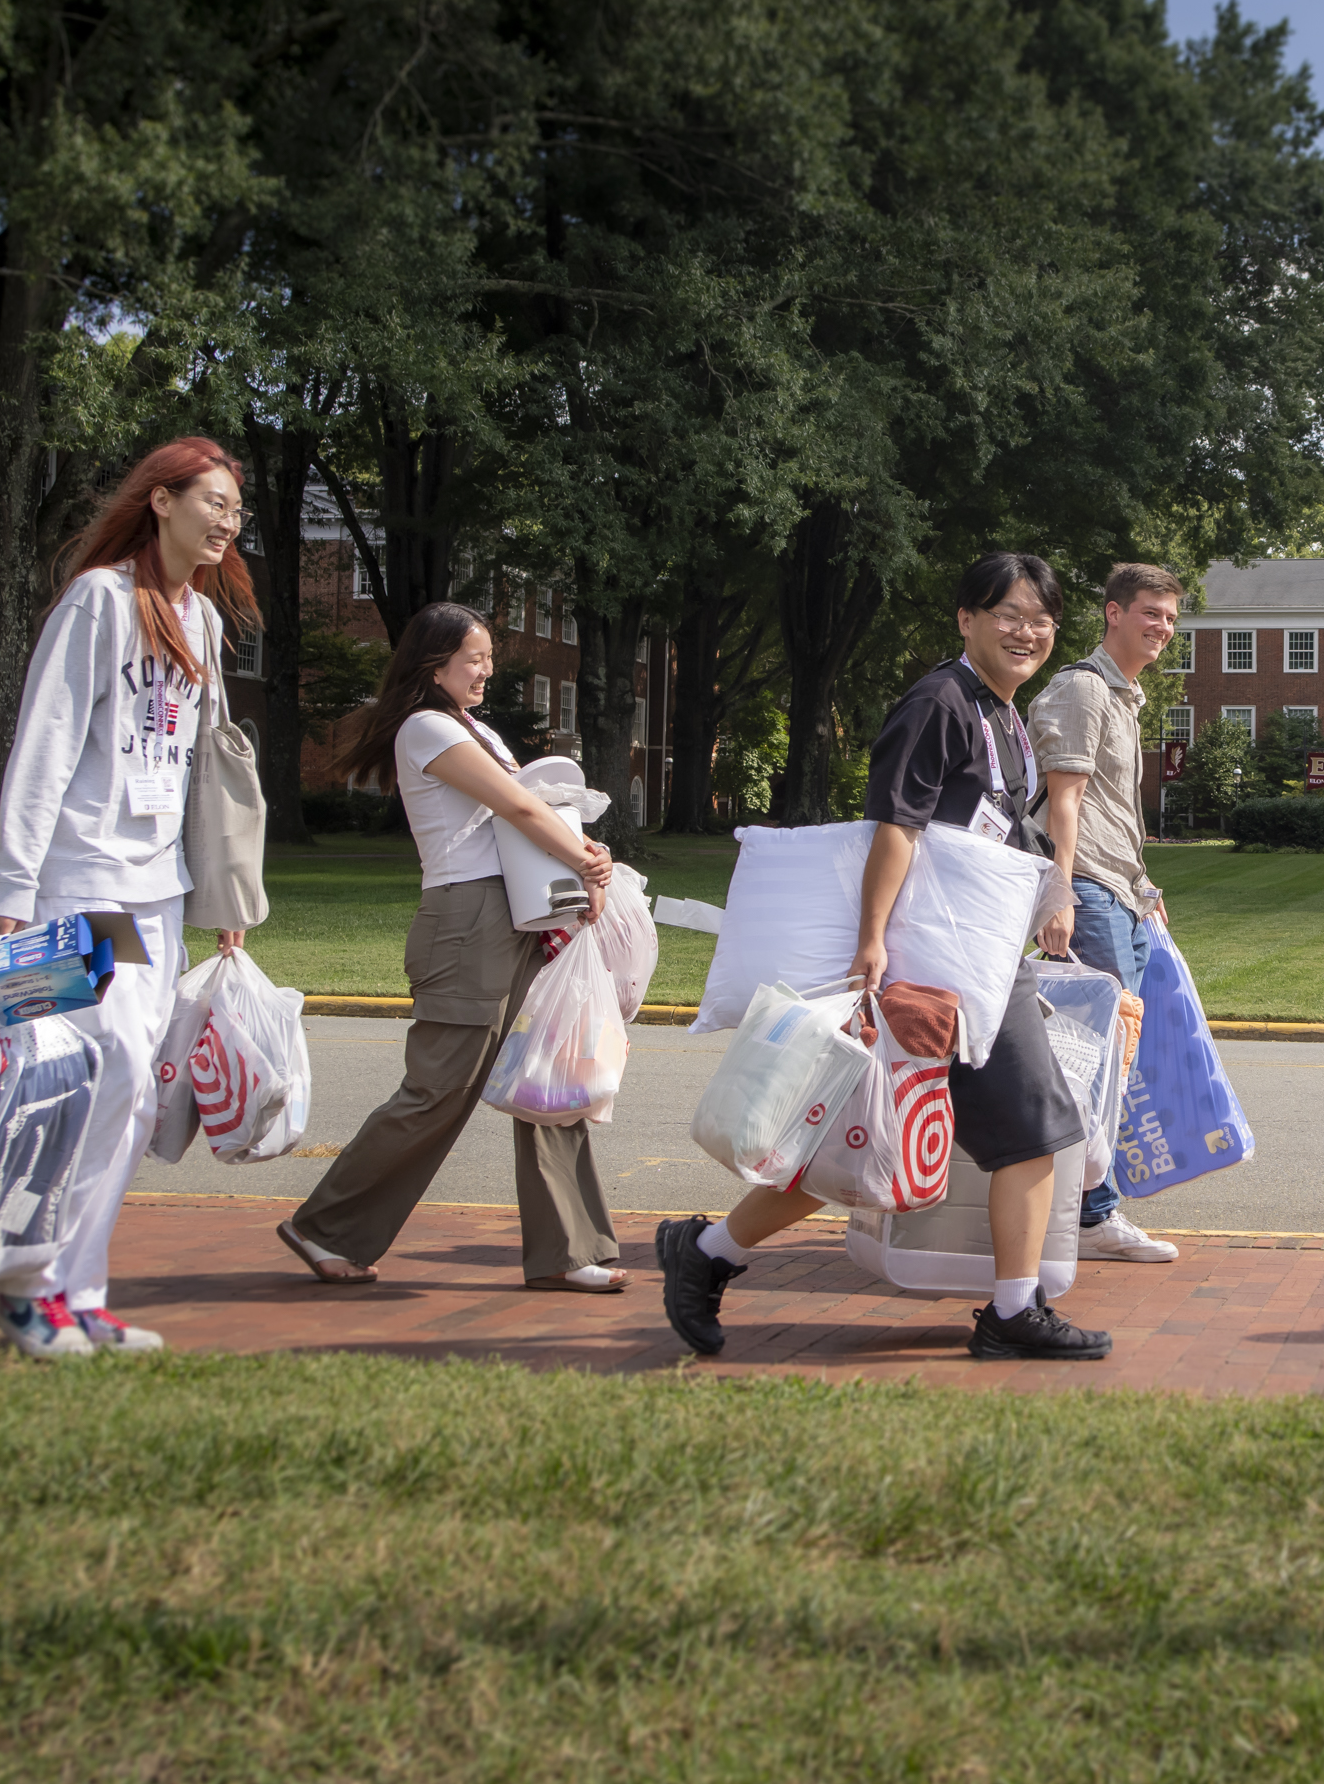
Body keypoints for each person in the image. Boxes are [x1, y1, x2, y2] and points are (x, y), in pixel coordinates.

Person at [654, 550, 1110, 1362]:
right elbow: (895, 825)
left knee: (876, 1130)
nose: (1026, 631)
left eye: (1041, 620)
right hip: (933, 963)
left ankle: (709, 1252)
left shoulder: (1003, 715)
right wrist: (872, 941)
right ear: (965, 618)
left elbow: (999, 833)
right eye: (1008, 614)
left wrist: (1054, 895)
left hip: (973, 955)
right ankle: (1012, 1313)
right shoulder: (938, 702)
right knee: (1028, 1131)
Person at [0, 436, 262, 1359]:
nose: (227, 521)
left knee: (133, 1092)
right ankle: (28, 1290)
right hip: (80, 885)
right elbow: (45, 746)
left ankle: (78, 1293)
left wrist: (224, 893)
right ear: (162, 502)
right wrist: (12, 888)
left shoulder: (205, 625)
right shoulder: (100, 602)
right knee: (68, 1081)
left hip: (157, 895)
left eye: (235, 509)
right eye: (212, 502)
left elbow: (204, 777)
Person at [274, 603, 624, 1293]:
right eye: (474, 658)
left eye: (490, 658)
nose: (486, 671)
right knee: (441, 1089)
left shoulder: (477, 730)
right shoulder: (427, 728)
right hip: (467, 920)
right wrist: (585, 862)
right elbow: (519, 808)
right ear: (433, 662)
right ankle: (326, 1228)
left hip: (518, 912)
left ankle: (568, 1249)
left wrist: (588, 856)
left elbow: (540, 812)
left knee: (546, 1076)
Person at [1028, 560, 1181, 1262]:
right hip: (1086, 891)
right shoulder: (1084, 691)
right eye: (1150, 613)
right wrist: (1058, 894)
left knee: (1111, 1059)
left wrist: (1144, 887)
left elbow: (1112, 810)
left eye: (1171, 617)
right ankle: (1091, 1216)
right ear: (1113, 613)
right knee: (1095, 1060)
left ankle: (1080, 1208)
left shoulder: (1127, 698)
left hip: (1121, 893)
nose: (1162, 628)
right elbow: (1062, 803)